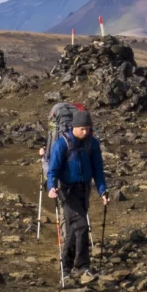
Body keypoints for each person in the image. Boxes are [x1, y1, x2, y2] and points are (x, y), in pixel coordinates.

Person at [45, 110, 110, 277]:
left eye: (88, 129)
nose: (85, 132)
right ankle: (82, 266)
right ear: (73, 127)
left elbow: (98, 169)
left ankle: (66, 268)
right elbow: (53, 170)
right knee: (81, 226)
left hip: (84, 189)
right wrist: (51, 187)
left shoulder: (92, 143)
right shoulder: (62, 144)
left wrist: (103, 190)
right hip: (67, 191)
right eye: (82, 129)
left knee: (74, 229)